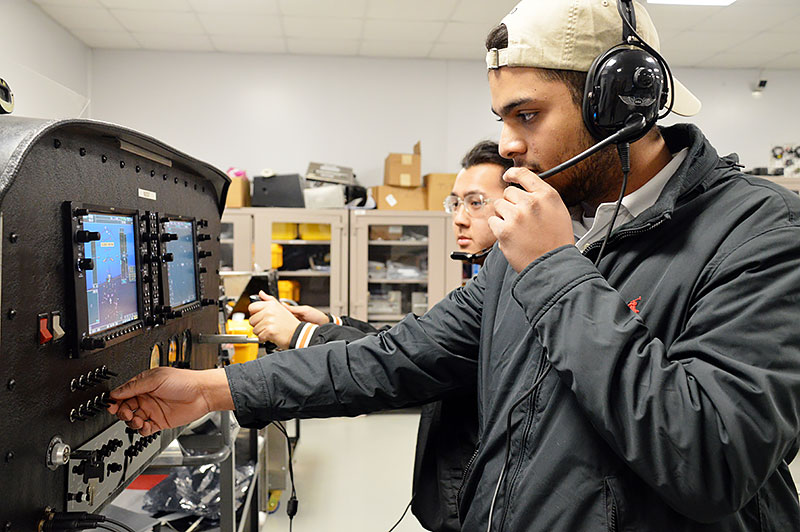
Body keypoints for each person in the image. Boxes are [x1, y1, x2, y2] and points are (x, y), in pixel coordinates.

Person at [110, 1, 800, 530]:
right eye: (501, 117)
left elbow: (713, 454)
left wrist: (558, 270)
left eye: (527, 116)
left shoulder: (758, 231)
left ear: (621, 104)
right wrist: (218, 389)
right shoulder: (539, 235)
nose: (508, 145)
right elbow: (396, 357)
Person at [245, 140, 512, 532]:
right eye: (455, 203)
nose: (458, 217)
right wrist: (326, 322)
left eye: (475, 202)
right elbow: (411, 341)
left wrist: (299, 335)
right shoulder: (488, 277)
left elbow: (402, 360)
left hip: (477, 509)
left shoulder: (508, 290)